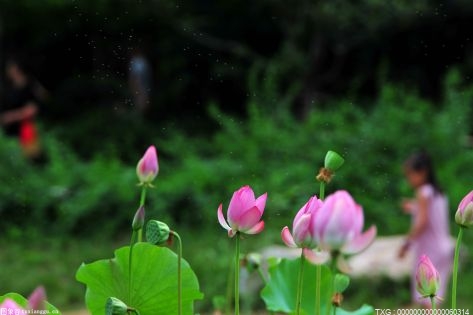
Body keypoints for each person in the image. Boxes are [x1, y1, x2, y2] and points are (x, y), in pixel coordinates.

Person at [398, 151, 453, 307]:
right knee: (435, 297)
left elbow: (422, 222)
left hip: (431, 250)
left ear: (422, 172)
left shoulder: (422, 192)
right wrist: (414, 207)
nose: (409, 180)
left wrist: (406, 244)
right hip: (444, 247)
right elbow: (430, 213)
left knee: (428, 298)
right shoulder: (438, 192)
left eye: (410, 174)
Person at [0, 58, 47, 161]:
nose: (12, 71)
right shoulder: (8, 89)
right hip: (13, 133)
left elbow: (33, 109)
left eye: (14, 68)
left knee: (34, 155)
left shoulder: (31, 84)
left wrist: (11, 116)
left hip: (30, 127)